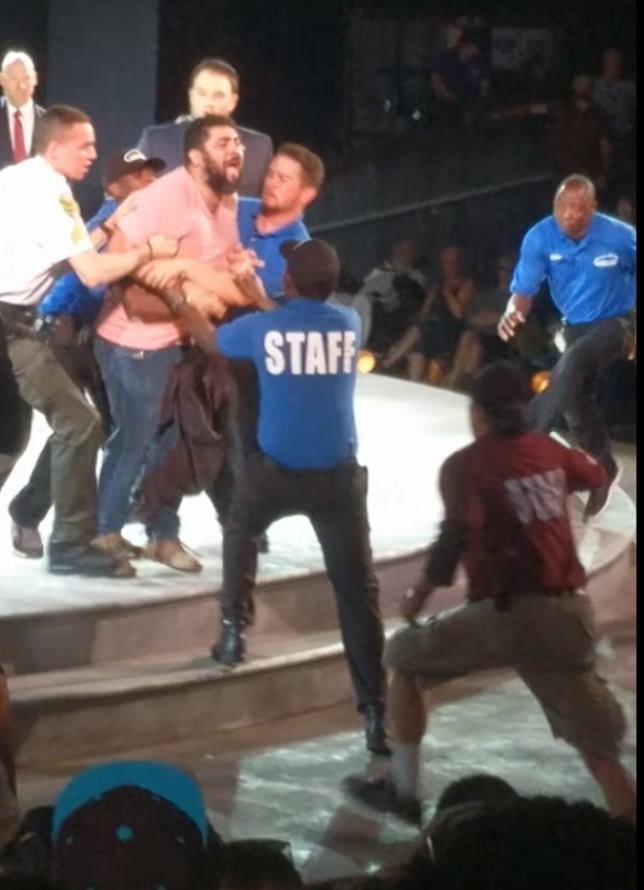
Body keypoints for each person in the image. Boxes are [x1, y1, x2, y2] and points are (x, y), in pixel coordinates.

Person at [342, 362, 636, 825]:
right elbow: (596, 474)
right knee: (601, 756)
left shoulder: (466, 467)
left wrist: (418, 596)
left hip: (511, 614)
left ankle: (403, 789)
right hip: (571, 616)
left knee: (403, 656)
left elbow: (451, 539)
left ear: (477, 413)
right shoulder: (547, 450)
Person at [159, 239, 389, 756]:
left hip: (277, 474)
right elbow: (293, 323)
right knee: (359, 594)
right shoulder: (348, 324)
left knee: (240, 526)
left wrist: (179, 302)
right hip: (338, 481)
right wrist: (260, 295)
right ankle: (375, 711)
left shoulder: (264, 328)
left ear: (287, 283)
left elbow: (213, 342)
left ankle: (232, 632)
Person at [0, 104, 179, 577]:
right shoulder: (51, 192)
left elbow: (55, 259)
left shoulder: (20, 179)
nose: (93, 154)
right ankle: (70, 544)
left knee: (30, 436)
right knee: (77, 424)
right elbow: (92, 270)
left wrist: (113, 222)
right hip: (17, 328)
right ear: (54, 146)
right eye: (85, 145)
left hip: (17, 327)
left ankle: (60, 536)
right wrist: (149, 250)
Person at [93, 114, 267, 574]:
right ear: (194, 156)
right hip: (135, 343)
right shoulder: (165, 195)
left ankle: (162, 536)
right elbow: (123, 270)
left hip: (182, 341)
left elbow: (219, 268)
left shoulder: (227, 202)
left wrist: (207, 280)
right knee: (133, 440)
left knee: (170, 446)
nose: (237, 149)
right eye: (224, 142)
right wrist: (192, 293)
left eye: (239, 142)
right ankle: (104, 532)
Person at [498, 174, 636, 519]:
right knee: (575, 401)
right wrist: (513, 311)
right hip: (575, 325)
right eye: (563, 207)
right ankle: (603, 466)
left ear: (592, 208)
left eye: (579, 208)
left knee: (573, 362)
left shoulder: (621, 237)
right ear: (554, 206)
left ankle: (525, 437)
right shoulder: (540, 238)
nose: (570, 214)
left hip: (618, 323)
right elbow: (524, 290)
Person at [137, 57, 273, 197]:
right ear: (191, 96)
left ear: (233, 101)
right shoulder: (155, 141)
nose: (209, 102)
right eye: (201, 93)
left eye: (218, 95)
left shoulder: (260, 148)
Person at [0, 50, 45, 170]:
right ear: (2, 80)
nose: (22, 86)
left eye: (26, 78)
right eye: (14, 79)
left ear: (35, 79)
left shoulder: (48, 122)